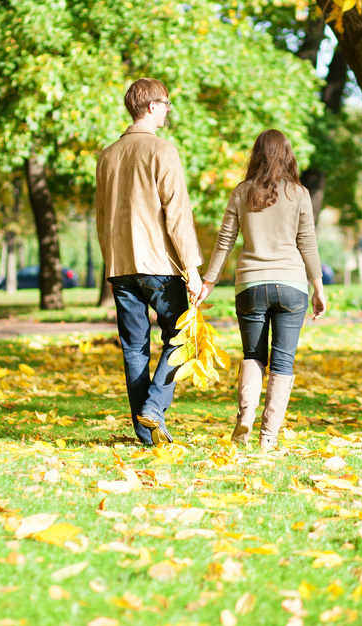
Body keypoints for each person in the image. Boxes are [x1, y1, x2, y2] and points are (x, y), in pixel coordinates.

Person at [198, 129, 326, 450]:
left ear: (257, 154)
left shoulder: (241, 192)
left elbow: (225, 241)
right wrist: (318, 286)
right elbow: (307, 242)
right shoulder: (298, 194)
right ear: (287, 155)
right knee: (283, 362)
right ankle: (268, 436)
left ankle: (245, 414)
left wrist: (209, 281)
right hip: (292, 287)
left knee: (253, 356)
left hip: (251, 286)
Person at [96, 78, 203, 446]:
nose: (169, 109)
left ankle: (145, 431)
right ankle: (155, 407)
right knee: (183, 337)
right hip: (159, 265)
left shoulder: (107, 156)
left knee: (134, 347)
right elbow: (177, 214)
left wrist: (111, 260)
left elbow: (101, 217)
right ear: (153, 106)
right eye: (167, 103)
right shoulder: (163, 151)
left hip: (120, 265)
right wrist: (193, 268)